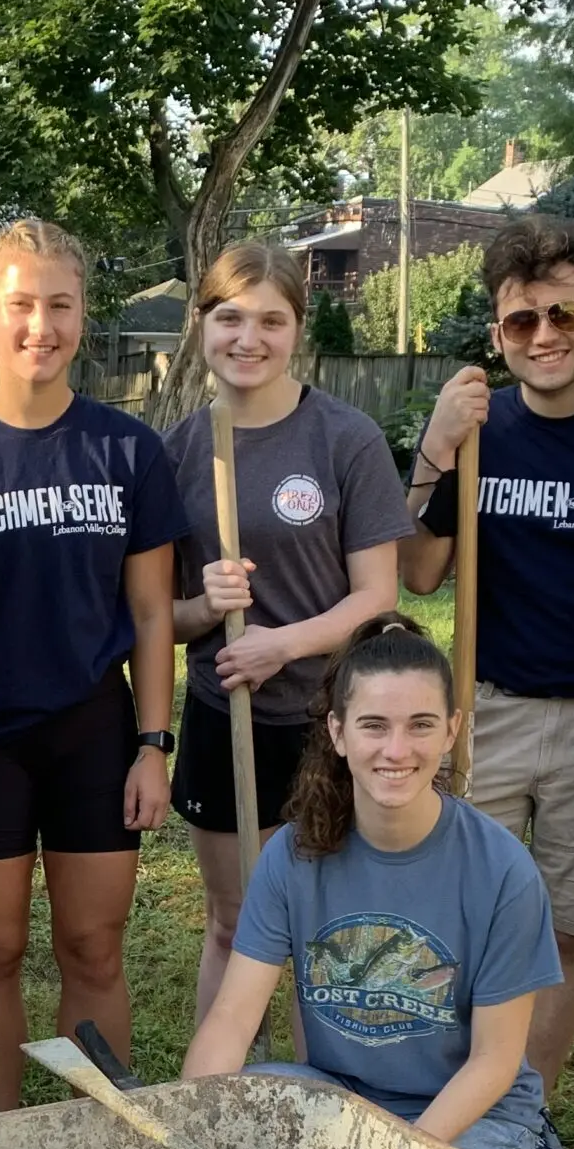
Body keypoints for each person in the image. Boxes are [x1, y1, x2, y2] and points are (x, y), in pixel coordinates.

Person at [0, 218, 189, 1110]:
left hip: (93, 732)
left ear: (83, 316)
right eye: (21, 305)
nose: (41, 326)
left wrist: (153, 742)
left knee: (93, 948)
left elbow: (150, 611)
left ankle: (91, 1136)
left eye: (59, 305)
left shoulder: (127, 451)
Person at [401, 216, 574, 1149]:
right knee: (470, 920)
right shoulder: (479, 429)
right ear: (497, 333)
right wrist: (433, 447)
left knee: (567, 929)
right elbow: (421, 572)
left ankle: (522, 1110)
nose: (543, 336)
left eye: (563, 314)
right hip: (489, 707)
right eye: (519, 323)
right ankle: (459, 1088)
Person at [183, 616, 566, 1149]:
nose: (396, 749)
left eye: (420, 725)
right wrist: (190, 1124)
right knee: (239, 1131)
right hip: (342, 1094)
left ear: (451, 731)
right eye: (373, 725)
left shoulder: (502, 869)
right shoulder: (294, 854)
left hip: (469, 1116)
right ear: (338, 733)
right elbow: (233, 1018)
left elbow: (493, 1061)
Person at [163, 241, 409, 1025]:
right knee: (234, 922)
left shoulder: (345, 438)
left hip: (326, 719)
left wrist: (284, 643)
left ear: (296, 330)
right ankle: (215, 1100)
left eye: (271, 320)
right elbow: (158, 617)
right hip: (222, 714)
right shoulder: (178, 451)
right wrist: (206, 606)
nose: (249, 338)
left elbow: (378, 596)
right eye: (229, 317)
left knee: (322, 930)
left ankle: (323, 1102)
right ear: (201, 325)